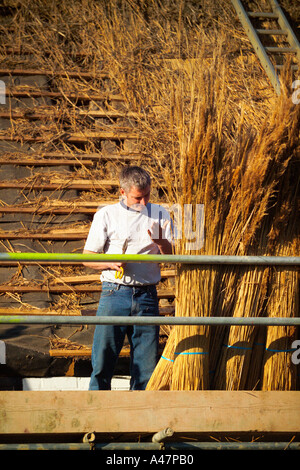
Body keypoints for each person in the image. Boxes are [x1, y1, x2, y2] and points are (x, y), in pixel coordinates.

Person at [83, 165, 174, 390]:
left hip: (147, 294)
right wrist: (110, 262)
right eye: (137, 198)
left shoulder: (161, 213)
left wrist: (160, 242)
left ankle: (139, 420)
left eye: (147, 196)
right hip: (115, 292)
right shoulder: (106, 214)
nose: (143, 203)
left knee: (145, 365)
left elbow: (171, 256)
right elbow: (87, 258)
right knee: (103, 359)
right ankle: (95, 415)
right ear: (122, 192)